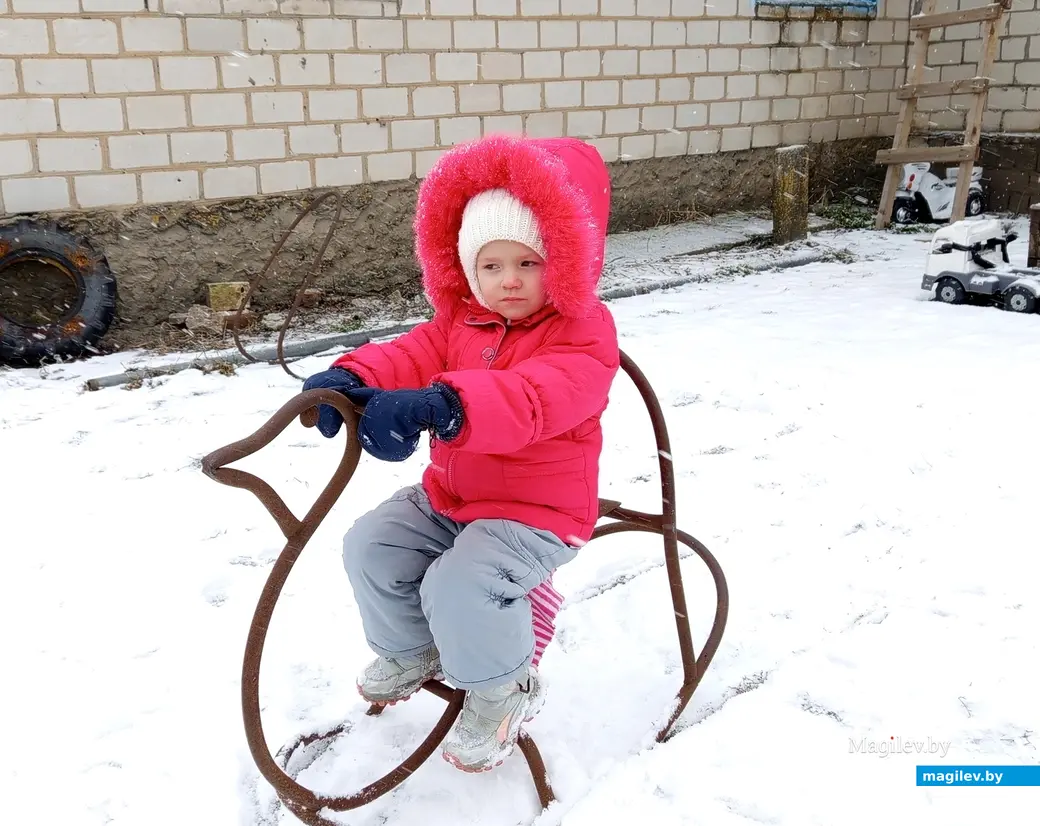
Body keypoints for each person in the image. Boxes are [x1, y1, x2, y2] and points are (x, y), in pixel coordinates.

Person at [301, 133, 619, 773]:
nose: (508, 282)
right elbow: (409, 353)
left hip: (538, 511)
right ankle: (412, 647)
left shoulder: (583, 331)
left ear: (563, 260)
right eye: (490, 266)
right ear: (467, 270)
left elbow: (535, 397)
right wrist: (351, 375)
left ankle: (504, 688)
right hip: (456, 496)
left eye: (528, 264)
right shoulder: (461, 322)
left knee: (461, 581)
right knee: (372, 543)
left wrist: (446, 404)